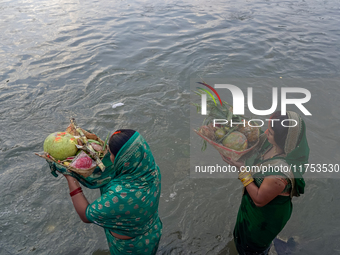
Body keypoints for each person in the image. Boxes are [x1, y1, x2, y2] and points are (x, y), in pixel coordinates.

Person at [61, 129, 162, 255]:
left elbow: (86, 215)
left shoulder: (120, 196)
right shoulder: (151, 170)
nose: (110, 156)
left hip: (130, 248)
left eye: (112, 154)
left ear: (123, 159)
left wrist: (71, 179)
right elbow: (113, 169)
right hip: (152, 231)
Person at [221, 111, 309, 255]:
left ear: (283, 140)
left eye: (271, 132)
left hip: (264, 218)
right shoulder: (271, 144)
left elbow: (259, 200)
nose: (266, 132)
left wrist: (242, 170)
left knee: (252, 246)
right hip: (255, 205)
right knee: (241, 238)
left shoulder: (279, 174)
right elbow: (254, 141)